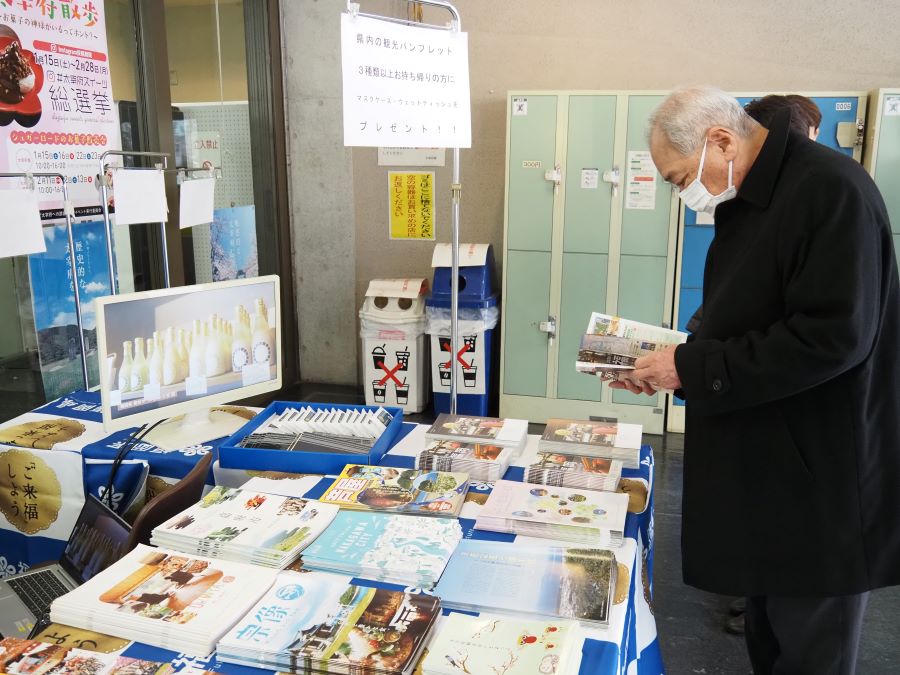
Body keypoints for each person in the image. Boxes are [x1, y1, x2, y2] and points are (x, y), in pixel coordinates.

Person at [616, 85, 900, 675]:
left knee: (809, 653)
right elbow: (751, 316)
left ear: (720, 140)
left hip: (819, 487)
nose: (682, 192)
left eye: (677, 178)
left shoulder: (829, 190)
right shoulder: (761, 196)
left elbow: (831, 339)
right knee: (769, 643)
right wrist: (679, 363)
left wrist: (691, 366)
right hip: (772, 476)